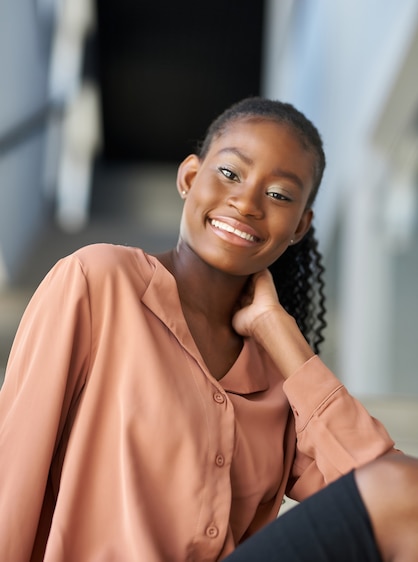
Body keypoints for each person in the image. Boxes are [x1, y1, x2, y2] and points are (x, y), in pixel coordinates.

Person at [0, 97, 417, 561]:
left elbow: (394, 492)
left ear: (300, 226)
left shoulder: (282, 379)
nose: (247, 202)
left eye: (278, 194)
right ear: (190, 177)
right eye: (231, 174)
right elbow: (14, 470)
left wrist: (278, 333)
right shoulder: (98, 282)